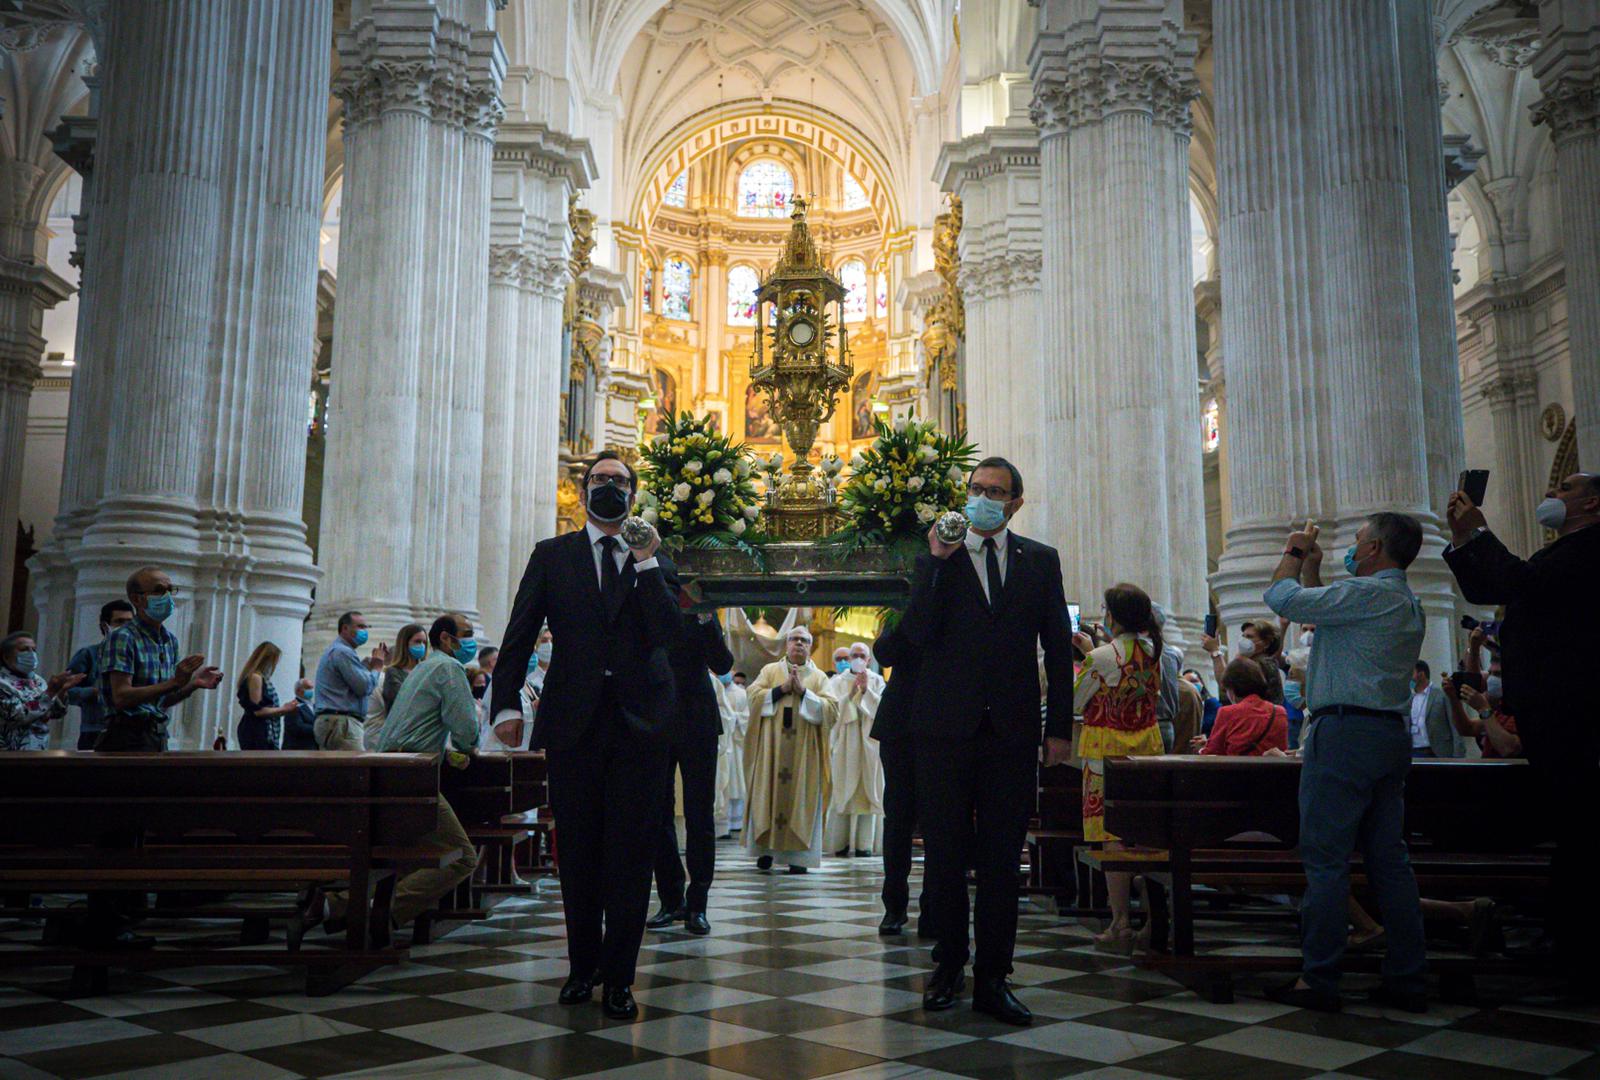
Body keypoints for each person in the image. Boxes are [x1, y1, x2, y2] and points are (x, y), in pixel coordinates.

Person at [488, 450, 680, 1022]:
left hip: (639, 727)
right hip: (573, 724)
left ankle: (620, 978)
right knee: (577, 851)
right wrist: (504, 705)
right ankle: (582, 966)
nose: (608, 489)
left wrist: (646, 564)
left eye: (619, 482)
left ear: (633, 493)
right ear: (582, 491)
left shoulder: (656, 557)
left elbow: (671, 634)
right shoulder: (553, 556)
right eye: (599, 480)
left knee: (631, 854)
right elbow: (519, 632)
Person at [901, 457, 1074, 1026]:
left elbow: (1057, 649)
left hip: (1011, 732)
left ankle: (994, 977)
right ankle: (948, 964)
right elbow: (916, 634)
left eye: (996, 492)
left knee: (1002, 860)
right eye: (977, 489)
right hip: (943, 731)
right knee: (946, 855)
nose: (984, 498)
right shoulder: (936, 558)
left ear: (1016, 503)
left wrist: (1057, 730)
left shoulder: (1040, 562)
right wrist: (934, 562)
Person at [1262, 513, 1428, 1013]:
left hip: (1345, 734)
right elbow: (1323, 612)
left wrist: (1293, 552)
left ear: (1375, 547)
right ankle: (1407, 977)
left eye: (1357, 542)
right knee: (1389, 862)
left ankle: (1319, 978)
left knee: (1327, 860)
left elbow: (1282, 599)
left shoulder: (1367, 596)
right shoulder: (1406, 602)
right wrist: (1313, 569)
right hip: (1387, 735)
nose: (1352, 549)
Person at [1443, 472, 1600, 990]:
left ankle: (1577, 948)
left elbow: (1523, 585)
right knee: (1573, 830)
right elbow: (1491, 587)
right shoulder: (1559, 551)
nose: (1550, 496)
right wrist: (1465, 539)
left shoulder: (1591, 548)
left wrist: (1483, 533)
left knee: (1581, 833)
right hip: (1553, 712)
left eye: (1564, 491)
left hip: (1574, 709)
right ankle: (1568, 939)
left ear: (1593, 502)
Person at [319, 613, 482, 935]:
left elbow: (415, 724)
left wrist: (446, 753)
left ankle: (336, 904)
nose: (471, 641)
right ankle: (377, 917)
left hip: (389, 768)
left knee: (407, 857)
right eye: (467, 634)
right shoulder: (449, 668)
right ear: (447, 639)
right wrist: (465, 747)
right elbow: (465, 730)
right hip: (411, 776)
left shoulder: (422, 668)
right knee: (463, 856)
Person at [1073, 584, 1167, 954]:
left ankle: (1120, 922)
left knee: (1113, 837)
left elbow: (1078, 699)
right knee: (1145, 835)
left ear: (1112, 616)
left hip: (1106, 749)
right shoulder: (1153, 650)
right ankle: (1152, 919)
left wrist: (1086, 656)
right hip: (1147, 747)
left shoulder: (1103, 656)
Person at [647, 602, 733, 935]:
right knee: (656, 813)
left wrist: (706, 618)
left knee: (700, 815)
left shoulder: (702, 615)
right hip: (655, 719)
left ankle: (698, 904)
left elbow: (722, 662)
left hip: (698, 721)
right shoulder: (650, 606)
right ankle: (671, 899)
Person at [744, 625, 838, 873]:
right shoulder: (770, 670)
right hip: (771, 749)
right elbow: (752, 696)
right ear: (786, 644)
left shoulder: (818, 678)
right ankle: (765, 851)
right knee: (768, 794)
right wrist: (780, 690)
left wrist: (805, 693)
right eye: (795, 639)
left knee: (802, 798)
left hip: (805, 752)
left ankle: (798, 857)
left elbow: (832, 710)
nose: (799, 644)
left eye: (805, 640)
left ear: (810, 646)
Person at [98, 567, 224, 751]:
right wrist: (175, 681)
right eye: (158, 590)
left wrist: (192, 684)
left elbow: (161, 700)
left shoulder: (168, 640)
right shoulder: (123, 637)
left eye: (170, 590)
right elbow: (121, 696)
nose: (167, 596)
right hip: (126, 736)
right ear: (136, 598)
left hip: (156, 733)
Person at [870, 619, 927, 936]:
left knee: (940, 821)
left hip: (945, 719)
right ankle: (894, 906)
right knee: (898, 819)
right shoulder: (904, 611)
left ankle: (934, 907)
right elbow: (884, 652)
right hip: (900, 723)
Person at [826, 641, 885, 857]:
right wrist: (850, 695)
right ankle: (840, 844)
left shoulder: (877, 680)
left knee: (869, 794)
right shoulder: (836, 682)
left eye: (862, 655)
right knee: (843, 791)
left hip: (870, 745)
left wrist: (867, 691)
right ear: (849, 658)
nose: (858, 658)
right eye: (854, 655)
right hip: (846, 744)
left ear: (869, 660)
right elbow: (831, 712)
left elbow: (882, 710)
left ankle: (864, 845)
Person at [313, 611, 388, 750]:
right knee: (354, 770)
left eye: (366, 627)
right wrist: (377, 667)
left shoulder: (338, 650)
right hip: (342, 724)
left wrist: (365, 667)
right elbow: (364, 687)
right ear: (345, 628)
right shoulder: (343, 652)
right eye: (360, 627)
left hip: (335, 722)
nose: (364, 631)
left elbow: (348, 682)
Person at [65, 600, 135, 749]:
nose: (126, 627)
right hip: (96, 732)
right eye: (119, 621)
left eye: (130, 622)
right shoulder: (88, 655)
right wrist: (93, 692)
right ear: (105, 626)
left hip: (135, 733)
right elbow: (66, 693)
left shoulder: (140, 655)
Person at [0, 632, 83, 750]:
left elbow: (54, 713)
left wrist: (62, 691)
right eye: (24, 649)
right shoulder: (2, 683)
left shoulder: (38, 681)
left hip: (39, 750)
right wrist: (50, 692)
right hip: (9, 753)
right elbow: (18, 715)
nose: (31, 654)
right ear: (6, 657)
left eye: (33, 649)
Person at [1191, 658, 1287, 756]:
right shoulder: (1279, 711)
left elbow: (1213, 752)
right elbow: (1282, 749)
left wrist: (1201, 749)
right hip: (1272, 770)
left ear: (1232, 688)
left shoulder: (1228, 712)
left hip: (1238, 770)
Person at [1201, 618, 1285, 705]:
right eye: (1243, 636)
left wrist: (1215, 651)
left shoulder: (1263, 664)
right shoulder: (1257, 662)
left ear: (1266, 643)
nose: (1244, 640)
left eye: (1249, 637)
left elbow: (1225, 684)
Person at [236, 642, 300, 750]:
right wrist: (283, 709)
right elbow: (258, 711)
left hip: (257, 729)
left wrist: (283, 709)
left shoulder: (258, 677)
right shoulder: (256, 677)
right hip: (256, 732)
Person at [1406, 661, 1459, 759]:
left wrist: (1458, 754)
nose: (1408, 677)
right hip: (1413, 751)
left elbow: (1454, 724)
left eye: (1411, 673)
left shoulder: (1441, 695)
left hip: (1439, 751)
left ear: (1421, 674)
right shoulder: (1408, 698)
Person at [381, 623, 428, 716]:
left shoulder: (427, 670)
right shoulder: (393, 672)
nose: (422, 645)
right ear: (405, 644)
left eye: (424, 642)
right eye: (417, 641)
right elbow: (402, 700)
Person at [283, 676, 319, 750]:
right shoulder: (293, 706)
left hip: (313, 750)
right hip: (298, 750)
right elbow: (298, 728)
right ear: (298, 691)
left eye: (312, 688)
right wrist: (319, 729)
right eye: (308, 688)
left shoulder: (315, 707)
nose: (311, 691)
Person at [1183, 668, 1221, 735]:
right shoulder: (1179, 705)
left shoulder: (1212, 704)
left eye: (1194, 681)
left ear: (1201, 683)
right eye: (1187, 683)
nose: (1191, 685)